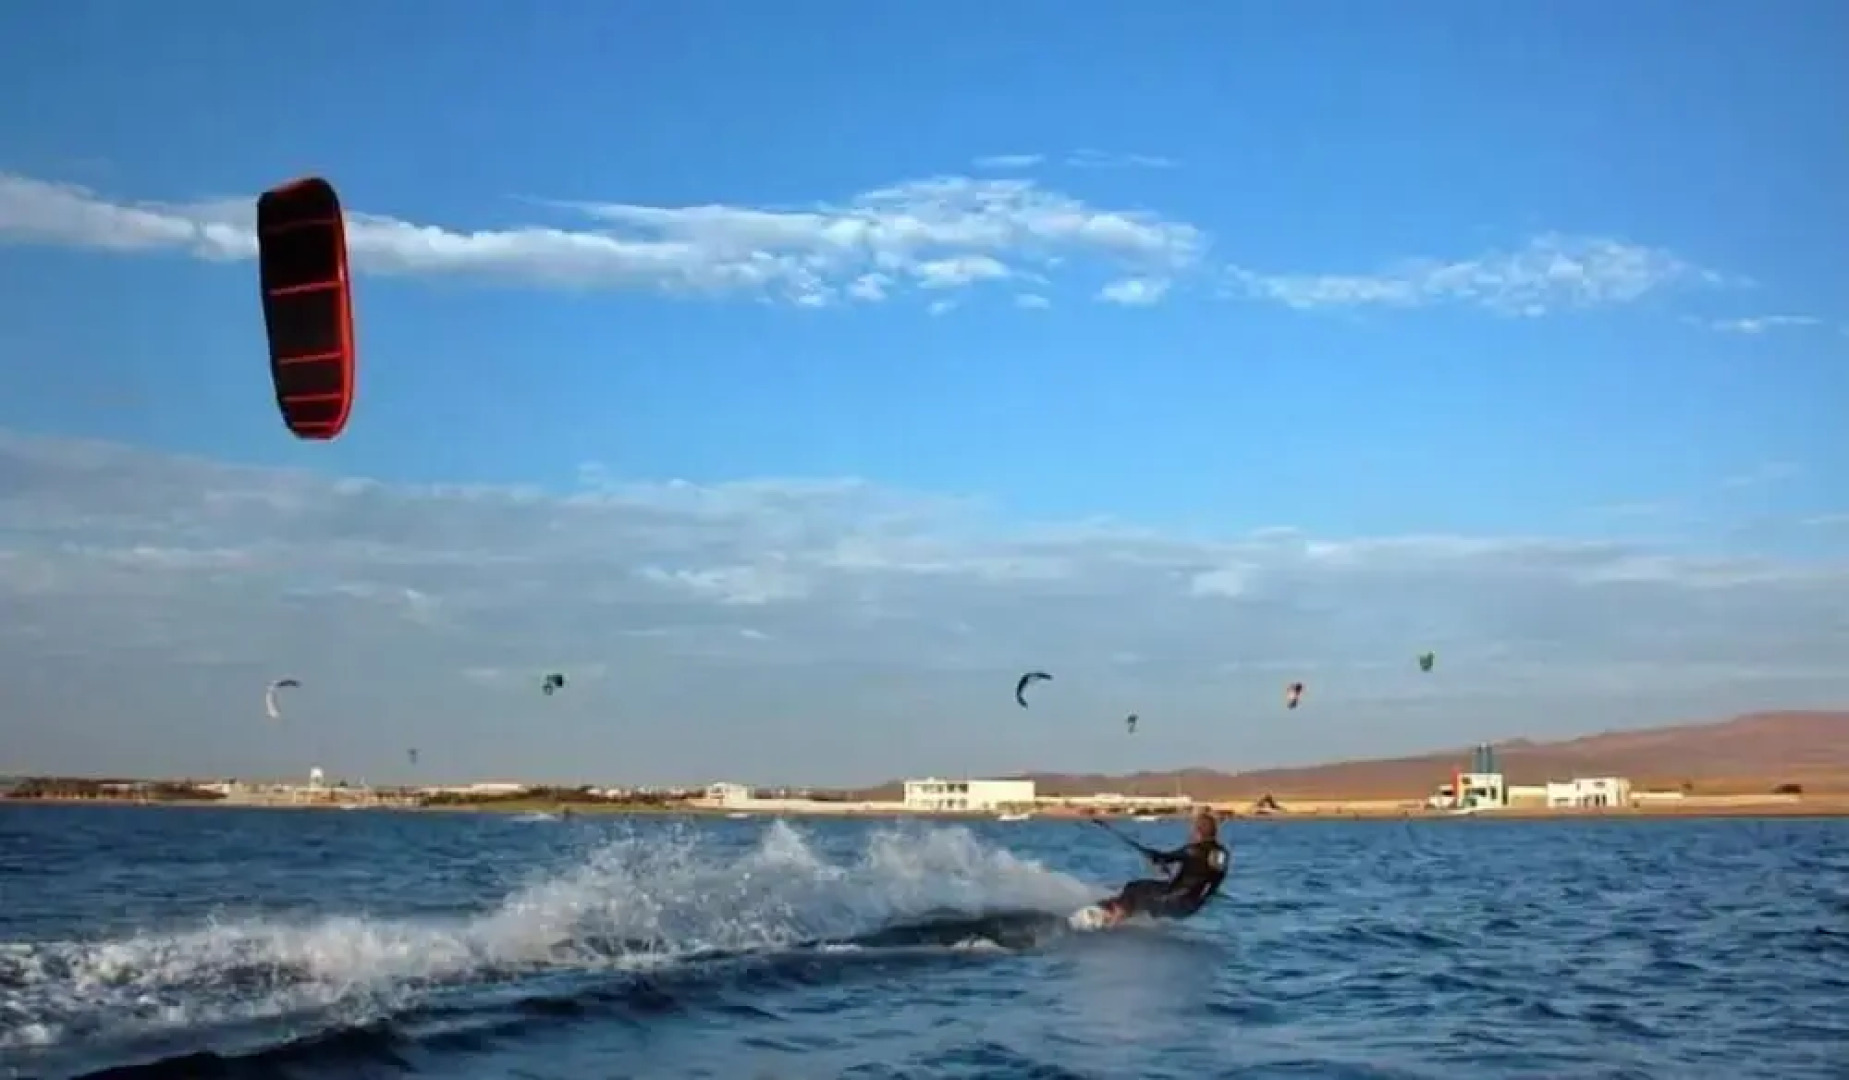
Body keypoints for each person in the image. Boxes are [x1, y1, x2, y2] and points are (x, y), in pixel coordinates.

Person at [1096, 810, 1229, 926]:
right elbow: (1207, 875)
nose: (1190, 833)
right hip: (1192, 907)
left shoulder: (1192, 850)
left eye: (1192, 829)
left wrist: (1153, 855)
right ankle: (1119, 911)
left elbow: (1164, 858)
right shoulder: (1222, 854)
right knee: (1147, 892)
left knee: (1133, 887)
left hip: (1174, 901)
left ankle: (1111, 919)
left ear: (1198, 831)